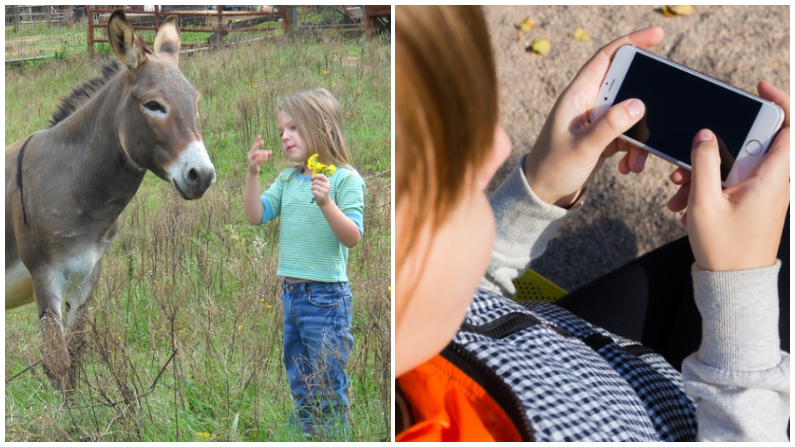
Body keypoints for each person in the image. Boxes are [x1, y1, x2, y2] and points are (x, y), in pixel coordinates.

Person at [395, 6, 789, 442]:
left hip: (585, 358)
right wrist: (739, 288)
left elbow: (454, 300)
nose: (499, 144)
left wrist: (540, 187)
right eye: (451, 165)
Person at [244, 88, 365, 437]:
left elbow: (353, 236)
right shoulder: (288, 179)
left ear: (324, 127)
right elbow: (256, 215)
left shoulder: (344, 179)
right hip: (292, 298)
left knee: (327, 387)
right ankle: (306, 435)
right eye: (282, 130)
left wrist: (327, 203)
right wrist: (252, 175)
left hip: (327, 300)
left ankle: (332, 436)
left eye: (294, 127)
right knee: (300, 382)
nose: (284, 136)